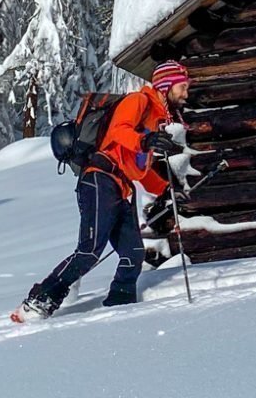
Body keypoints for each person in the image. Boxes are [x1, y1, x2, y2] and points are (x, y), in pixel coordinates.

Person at [11, 60, 191, 322]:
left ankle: (120, 308)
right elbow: (119, 131)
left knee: (133, 254)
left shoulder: (157, 119)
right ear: (166, 86)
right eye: (182, 87)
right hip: (99, 181)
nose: (186, 93)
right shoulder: (138, 102)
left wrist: (166, 189)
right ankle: (38, 302)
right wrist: (145, 140)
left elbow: (138, 167)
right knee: (90, 250)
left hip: (122, 187)